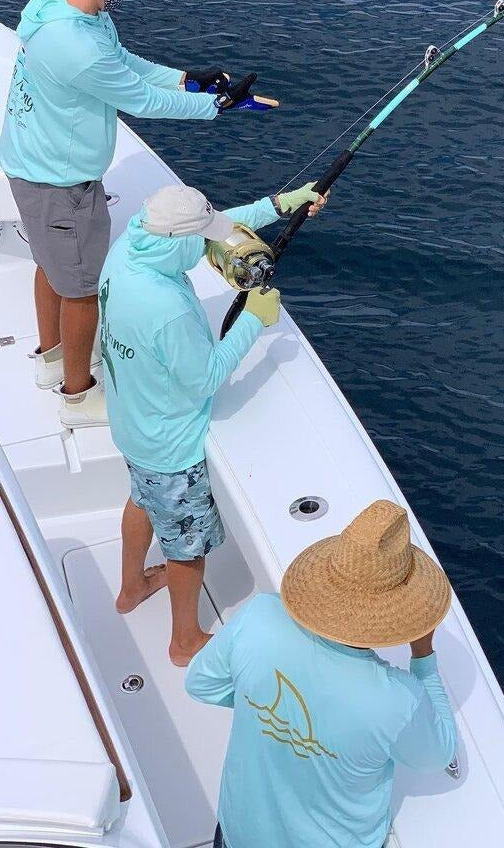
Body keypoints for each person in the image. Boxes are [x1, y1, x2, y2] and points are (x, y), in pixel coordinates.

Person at [0, 0, 275, 429]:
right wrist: (214, 106)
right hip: (59, 182)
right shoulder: (72, 44)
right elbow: (139, 99)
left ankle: (52, 358)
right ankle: (77, 397)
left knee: (51, 264)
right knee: (82, 290)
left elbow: (121, 63)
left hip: (30, 162)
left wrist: (187, 78)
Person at [101, 182, 327, 665]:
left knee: (140, 497)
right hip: (170, 442)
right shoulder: (165, 307)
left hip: (130, 421)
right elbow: (205, 377)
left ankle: (131, 587)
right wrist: (255, 318)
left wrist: (281, 204)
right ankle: (185, 641)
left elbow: (212, 223)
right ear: (180, 241)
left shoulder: (129, 246)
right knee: (186, 546)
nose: (211, 245)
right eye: (202, 239)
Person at [186, 499, 458, 848]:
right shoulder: (397, 700)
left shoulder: (259, 616)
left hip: (237, 837)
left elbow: (200, 684)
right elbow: (439, 755)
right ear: (402, 610)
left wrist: (265, 708)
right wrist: (423, 656)